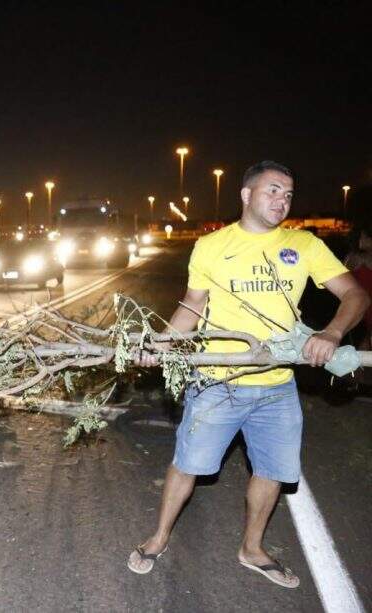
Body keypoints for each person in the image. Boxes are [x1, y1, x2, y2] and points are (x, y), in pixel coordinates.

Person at [128, 161, 370, 588]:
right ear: (245, 194)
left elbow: (354, 293)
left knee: (273, 472)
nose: (281, 201)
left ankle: (252, 549)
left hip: (277, 387)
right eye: (272, 191)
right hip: (218, 383)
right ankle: (158, 536)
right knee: (187, 464)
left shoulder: (304, 245)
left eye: (288, 195)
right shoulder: (211, 246)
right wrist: (161, 345)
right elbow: (192, 305)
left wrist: (331, 333)